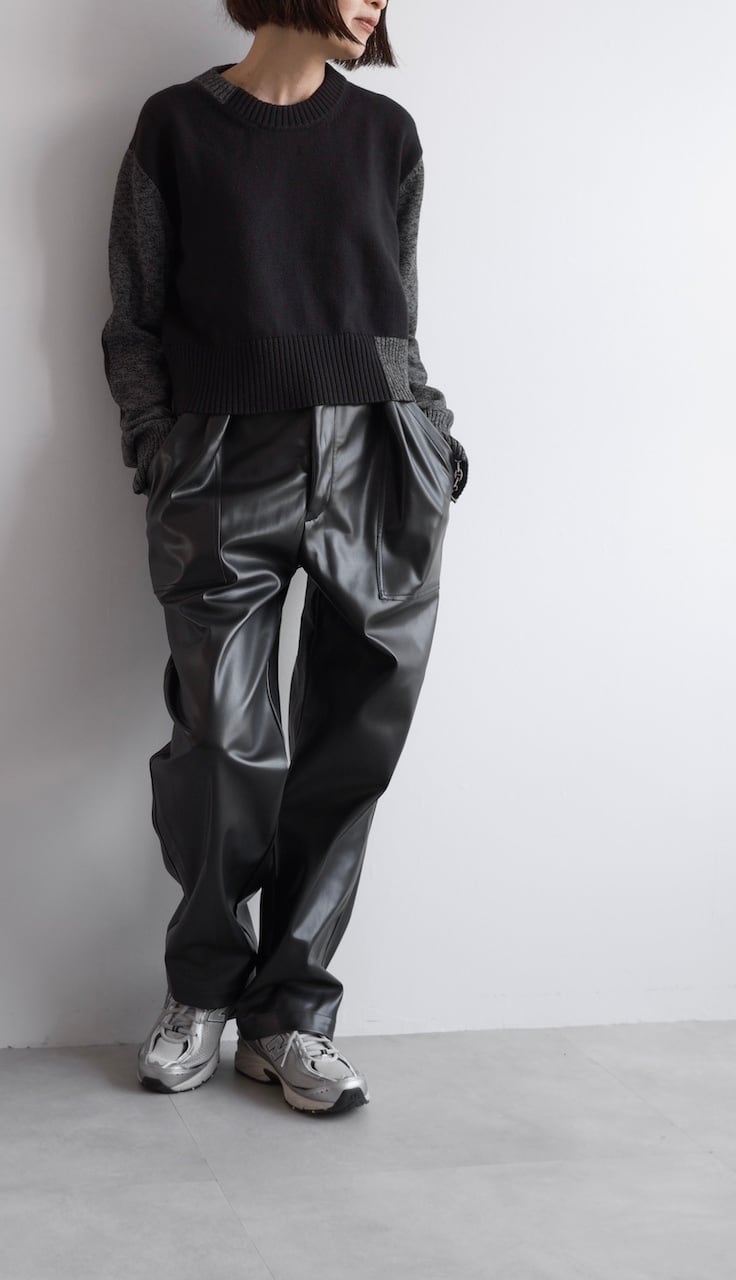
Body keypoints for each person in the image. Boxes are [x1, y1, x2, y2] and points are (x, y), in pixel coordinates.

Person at [99, 0, 468, 1116]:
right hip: (222, 458)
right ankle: (201, 988)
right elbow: (134, 316)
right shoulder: (176, 126)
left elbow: (396, 310)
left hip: (379, 453)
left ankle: (291, 1015)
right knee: (224, 743)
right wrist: (156, 444)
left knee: (354, 743)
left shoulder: (387, 134)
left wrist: (433, 439)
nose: (376, 3)